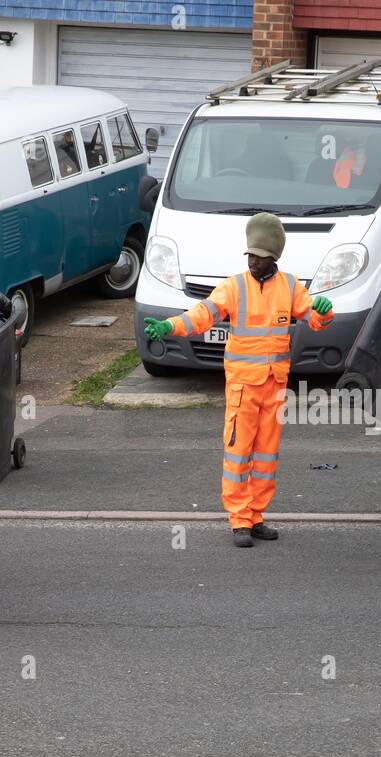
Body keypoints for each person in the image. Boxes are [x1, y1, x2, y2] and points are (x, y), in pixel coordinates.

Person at [143, 213, 334, 547]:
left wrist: (324, 309)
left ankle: (256, 515)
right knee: (238, 455)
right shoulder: (234, 287)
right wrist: (169, 327)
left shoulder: (290, 286)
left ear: (273, 257)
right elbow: (202, 316)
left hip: (274, 390)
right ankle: (239, 520)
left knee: (266, 457)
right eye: (250, 255)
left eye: (260, 256)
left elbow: (316, 321)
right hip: (243, 389)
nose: (253, 262)